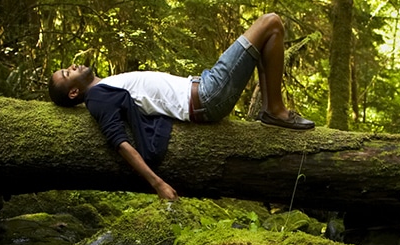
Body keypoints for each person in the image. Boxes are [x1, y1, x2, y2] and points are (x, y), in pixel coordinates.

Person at [48, 13, 314, 200]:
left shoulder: (105, 85)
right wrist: (158, 184)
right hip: (207, 97)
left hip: (204, 86)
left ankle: (272, 109)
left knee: (269, 35)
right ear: (73, 92)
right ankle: (275, 111)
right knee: (271, 22)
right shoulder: (97, 98)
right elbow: (120, 143)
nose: (72, 66)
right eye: (66, 72)